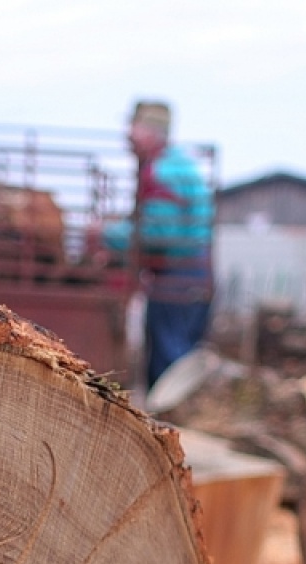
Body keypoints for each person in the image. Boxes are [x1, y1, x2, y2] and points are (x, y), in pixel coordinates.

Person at [100, 101, 215, 388]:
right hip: (193, 272)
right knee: (179, 357)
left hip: (177, 276)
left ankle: (173, 426)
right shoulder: (179, 164)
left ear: (151, 132)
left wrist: (107, 234)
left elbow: (157, 232)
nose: (127, 136)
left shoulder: (162, 171)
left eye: (133, 128)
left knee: (169, 364)